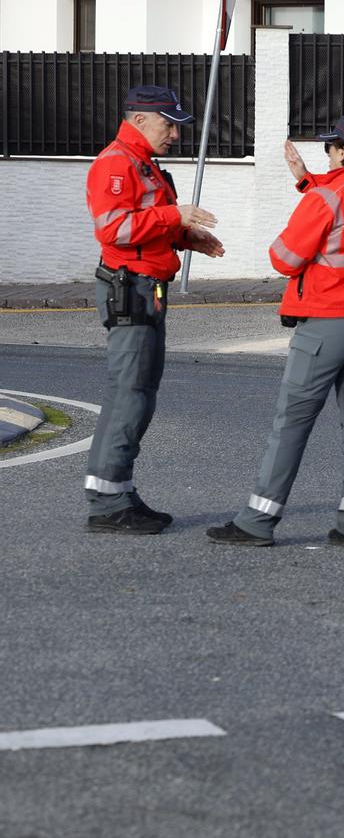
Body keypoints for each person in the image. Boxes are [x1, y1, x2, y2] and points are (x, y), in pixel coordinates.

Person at [208, 116, 344, 548]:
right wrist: (308, 182)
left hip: (328, 324)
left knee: (292, 423)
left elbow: (284, 258)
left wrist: (311, 195)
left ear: (343, 152)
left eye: (330, 150)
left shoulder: (324, 199)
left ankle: (257, 521)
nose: (327, 157)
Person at [81, 85, 225, 534]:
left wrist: (186, 238)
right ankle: (108, 503)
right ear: (139, 119)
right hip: (131, 288)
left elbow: (146, 223)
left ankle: (117, 492)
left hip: (145, 288)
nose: (175, 135)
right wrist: (174, 218)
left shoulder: (142, 163)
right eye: (169, 125)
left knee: (137, 394)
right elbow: (113, 229)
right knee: (130, 394)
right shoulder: (117, 163)